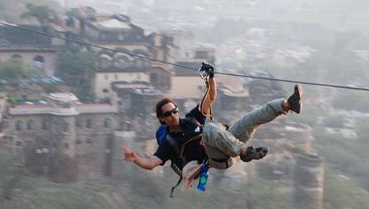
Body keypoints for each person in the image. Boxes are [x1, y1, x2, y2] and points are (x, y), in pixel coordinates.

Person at [122, 63, 303, 177]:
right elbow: (151, 163)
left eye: (175, 110)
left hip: (227, 142)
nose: (174, 114)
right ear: (162, 119)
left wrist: (211, 78)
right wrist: (135, 158)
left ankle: (288, 105)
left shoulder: (191, 119)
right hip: (217, 157)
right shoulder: (168, 142)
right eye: (168, 113)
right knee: (208, 129)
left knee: (250, 118)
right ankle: (245, 151)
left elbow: (211, 96)